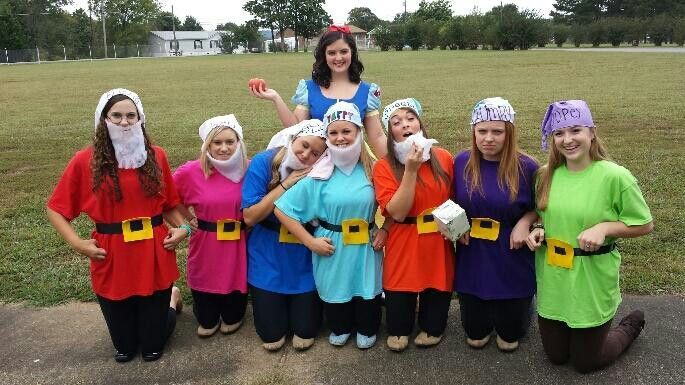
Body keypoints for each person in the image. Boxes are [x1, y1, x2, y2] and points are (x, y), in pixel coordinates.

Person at [46, 88, 187, 363]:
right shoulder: (84, 161)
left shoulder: (157, 156)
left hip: (153, 251)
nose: (124, 122)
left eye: (131, 116)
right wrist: (77, 244)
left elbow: (169, 203)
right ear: (103, 119)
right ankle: (159, 305)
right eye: (117, 116)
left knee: (151, 349)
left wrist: (184, 229)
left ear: (140, 119)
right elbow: (55, 209)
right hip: (111, 255)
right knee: (125, 348)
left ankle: (171, 299)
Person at [527, 100, 654, 373]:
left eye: (575, 130)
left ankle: (630, 326)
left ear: (592, 132)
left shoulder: (615, 177)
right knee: (557, 357)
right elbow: (542, 215)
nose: (567, 140)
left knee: (586, 363)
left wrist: (605, 228)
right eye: (559, 133)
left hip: (590, 280)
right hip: (554, 278)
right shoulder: (545, 176)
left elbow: (644, 224)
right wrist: (537, 229)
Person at [274, 101, 386, 349]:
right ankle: (342, 325)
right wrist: (309, 241)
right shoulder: (319, 173)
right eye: (333, 132)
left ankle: (367, 326)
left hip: (366, 245)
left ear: (358, 132)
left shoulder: (373, 168)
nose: (340, 138)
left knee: (366, 291)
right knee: (337, 294)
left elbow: (394, 203)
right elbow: (283, 209)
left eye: (347, 131)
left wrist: (385, 227)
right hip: (332, 245)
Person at [452, 97, 539, 352]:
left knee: (509, 339)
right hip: (474, 251)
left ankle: (520, 307)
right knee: (475, 337)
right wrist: (457, 225)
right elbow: (446, 201)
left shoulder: (528, 166)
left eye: (497, 131)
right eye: (482, 131)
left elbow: (541, 207)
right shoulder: (461, 162)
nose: (488, 138)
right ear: (473, 132)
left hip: (510, 250)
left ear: (509, 133)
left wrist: (526, 221)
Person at [372, 98, 455, 352]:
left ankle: (432, 324)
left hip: (437, 239)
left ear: (420, 124)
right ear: (390, 133)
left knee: (435, 303)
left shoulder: (444, 157)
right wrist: (410, 170)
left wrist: (458, 229)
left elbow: (453, 200)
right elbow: (396, 212)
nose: (405, 125)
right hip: (403, 237)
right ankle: (401, 325)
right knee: (398, 323)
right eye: (396, 122)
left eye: (411, 119)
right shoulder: (384, 166)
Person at [241, 119, 328, 351]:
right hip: (267, 253)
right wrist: (286, 184)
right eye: (304, 145)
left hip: (303, 254)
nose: (306, 154)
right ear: (293, 138)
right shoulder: (264, 161)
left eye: (316, 152)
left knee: (305, 333)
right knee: (272, 337)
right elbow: (250, 217)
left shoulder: (322, 172)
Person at [250, 25, 387, 158]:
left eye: (344, 51)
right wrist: (276, 98)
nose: (338, 58)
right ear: (324, 55)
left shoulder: (367, 92)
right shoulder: (310, 88)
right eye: (332, 53)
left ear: (352, 52)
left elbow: (377, 137)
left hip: (353, 162)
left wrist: (395, 169)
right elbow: (296, 128)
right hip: (315, 162)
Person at [172, 115, 249, 338]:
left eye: (230, 142)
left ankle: (234, 309)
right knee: (206, 322)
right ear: (207, 145)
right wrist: (187, 218)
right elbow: (169, 198)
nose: (224, 148)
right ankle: (184, 298)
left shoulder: (250, 169)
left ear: (238, 142)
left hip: (237, 241)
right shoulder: (191, 171)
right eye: (217, 143)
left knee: (232, 316)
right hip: (206, 242)